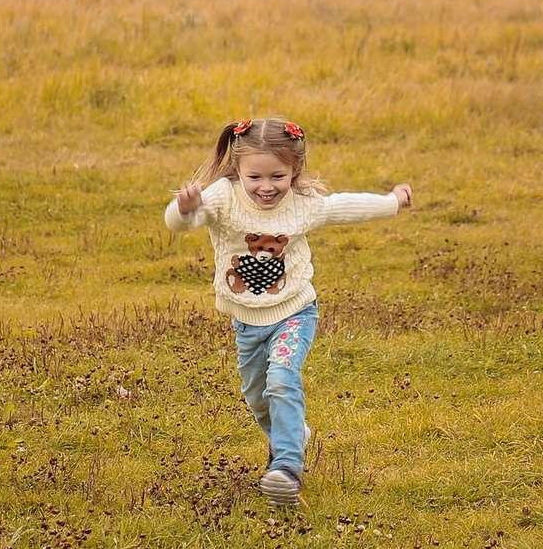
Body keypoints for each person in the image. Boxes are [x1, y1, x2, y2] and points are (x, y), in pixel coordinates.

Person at [165, 116, 412, 504]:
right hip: (246, 321)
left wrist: (392, 201)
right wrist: (183, 208)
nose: (266, 187)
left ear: (294, 171)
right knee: (258, 398)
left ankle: (286, 468)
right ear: (238, 170)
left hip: (295, 312)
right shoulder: (224, 197)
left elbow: (344, 206)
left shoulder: (302, 204)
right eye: (255, 177)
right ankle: (293, 432)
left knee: (281, 379)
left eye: (277, 177)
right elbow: (181, 223)